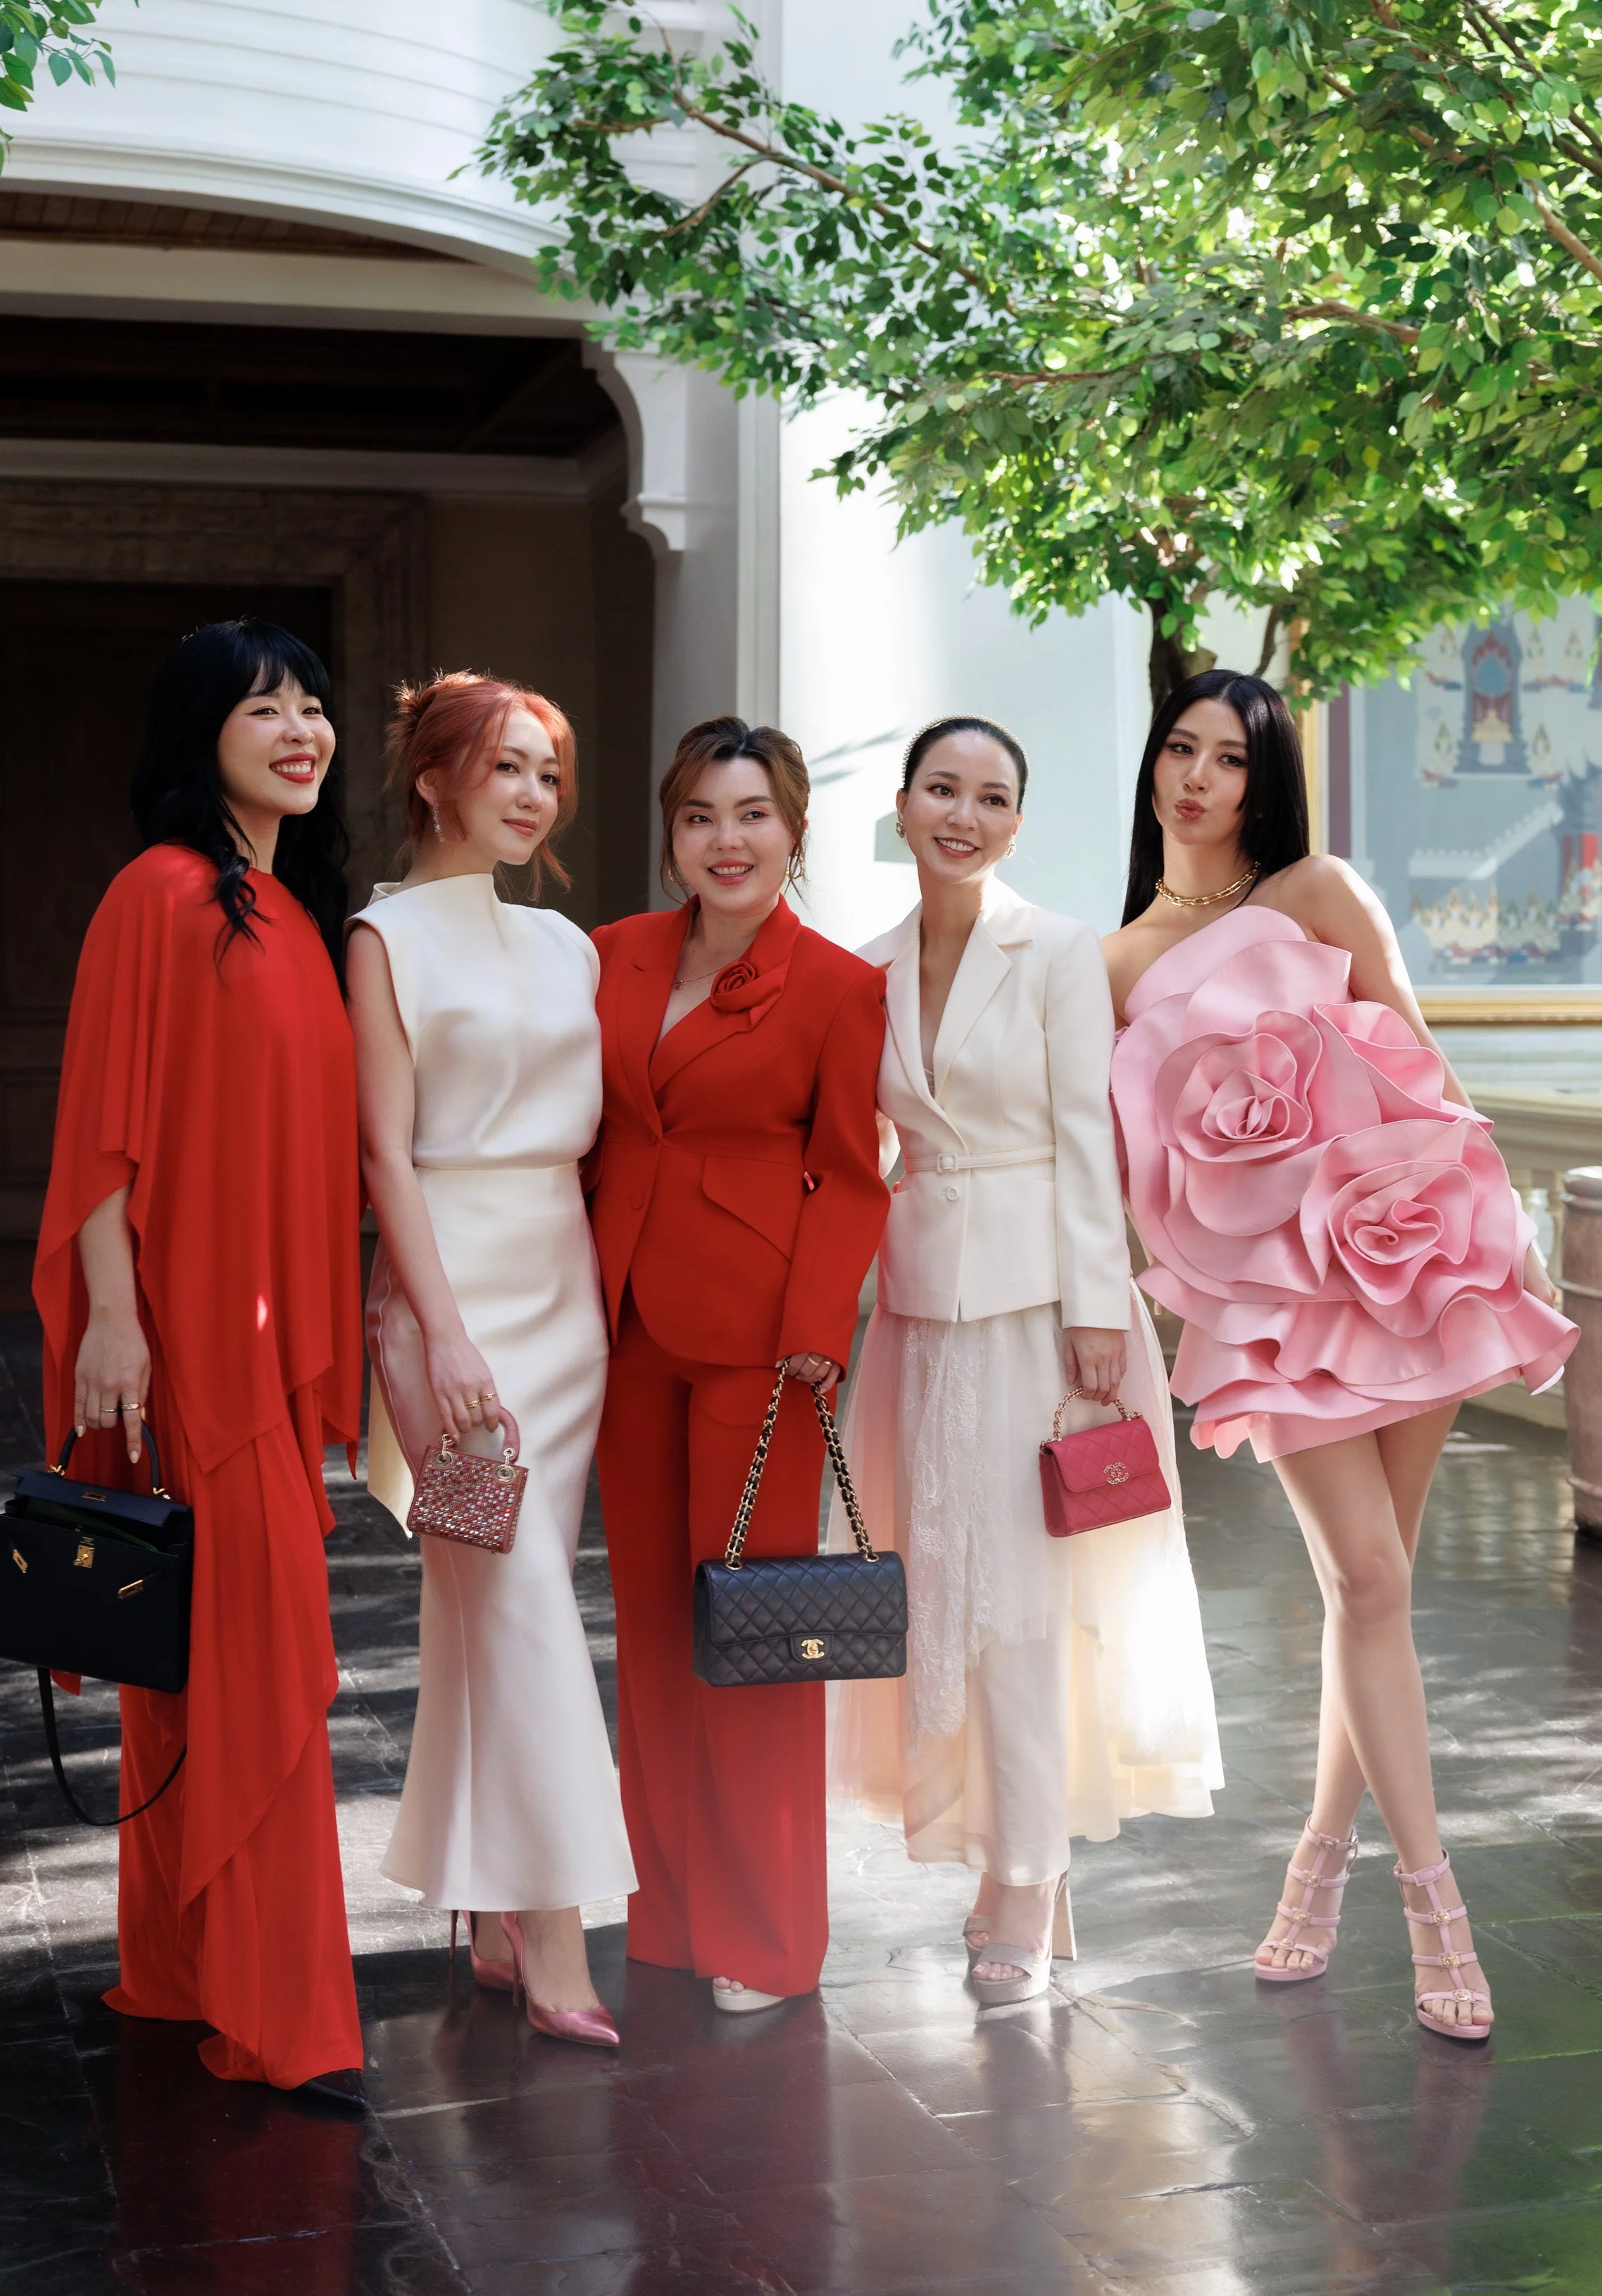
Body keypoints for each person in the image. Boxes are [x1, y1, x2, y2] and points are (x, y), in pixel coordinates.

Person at [1105, 671, 1576, 2043]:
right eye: (1179, 751)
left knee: (1368, 1598)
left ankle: (1314, 1864)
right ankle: (1435, 1903)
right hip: (1272, 1302)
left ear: (1264, 779)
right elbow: (1123, 1160)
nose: (1197, 778)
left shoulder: (1314, 890)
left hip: (1406, 1251)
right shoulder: (1115, 962)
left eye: (1228, 758)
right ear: (1151, 768)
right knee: (1363, 1578)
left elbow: (1426, 1070)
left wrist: (1513, 1238)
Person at [830, 718, 1222, 2006]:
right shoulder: (864, 965)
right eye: (942, 789)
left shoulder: (1053, 950)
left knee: (1027, 1597)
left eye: (992, 796)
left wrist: (1099, 1310)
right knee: (944, 1585)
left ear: (1016, 820)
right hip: (917, 1311)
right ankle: (1007, 1861)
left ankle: (1027, 1875)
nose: (965, 813)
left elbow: (1081, 1136)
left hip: (1044, 1310)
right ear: (901, 806)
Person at [34, 618, 365, 2106]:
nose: (300, 728)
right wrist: (114, 1315)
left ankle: (176, 1971)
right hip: (188, 1339)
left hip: (270, 1343)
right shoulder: (159, 898)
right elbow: (105, 1129)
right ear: (199, 734)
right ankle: (281, 2017)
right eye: (262, 708)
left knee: (190, 1657)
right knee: (253, 1663)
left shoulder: (288, 914)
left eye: (311, 705)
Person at [347, 672, 633, 2051]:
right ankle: (560, 1924)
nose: (531, 796)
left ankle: (485, 1915)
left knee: (491, 1608)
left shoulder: (567, 943)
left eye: (547, 774)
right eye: (507, 768)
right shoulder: (384, 937)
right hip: (449, 1290)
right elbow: (379, 1151)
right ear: (435, 779)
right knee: (519, 1607)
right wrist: (439, 1326)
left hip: (559, 1289)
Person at [589, 717, 889, 2013]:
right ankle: (669, 1915)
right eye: (703, 814)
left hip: (764, 1340)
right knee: (654, 1630)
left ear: (795, 831)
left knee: (758, 1637)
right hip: (620, 1323)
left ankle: (768, 1937)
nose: (728, 838)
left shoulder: (834, 984)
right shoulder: (608, 957)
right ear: (673, 830)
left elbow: (851, 1169)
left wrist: (819, 1324)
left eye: (753, 813)